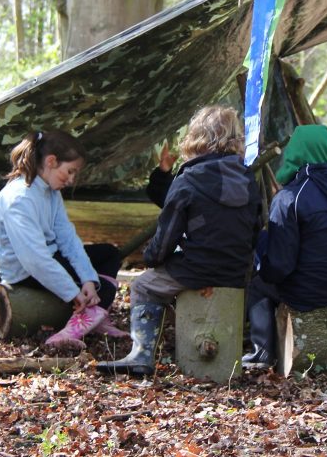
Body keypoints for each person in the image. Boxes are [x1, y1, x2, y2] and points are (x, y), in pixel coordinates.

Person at [96, 105, 260, 376]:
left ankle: (142, 354)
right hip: (237, 271)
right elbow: (255, 229)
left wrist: (152, 259)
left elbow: (166, 234)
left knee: (144, 286)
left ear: (196, 137)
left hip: (197, 268)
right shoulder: (247, 180)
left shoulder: (188, 180)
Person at [242, 124, 327, 370]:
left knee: (259, 287)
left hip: (303, 295)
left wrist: (262, 262)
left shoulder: (289, 198)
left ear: (294, 153)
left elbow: (280, 267)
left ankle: (261, 352)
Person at [0, 130, 127, 350]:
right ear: (51, 161)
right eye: (69, 171)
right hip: (24, 271)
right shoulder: (19, 199)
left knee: (110, 254)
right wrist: (72, 292)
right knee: (93, 284)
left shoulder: (51, 191)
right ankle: (73, 329)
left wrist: (88, 279)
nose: (71, 180)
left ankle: (93, 319)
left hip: (50, 257)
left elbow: (67, 238)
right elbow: (35, 260)